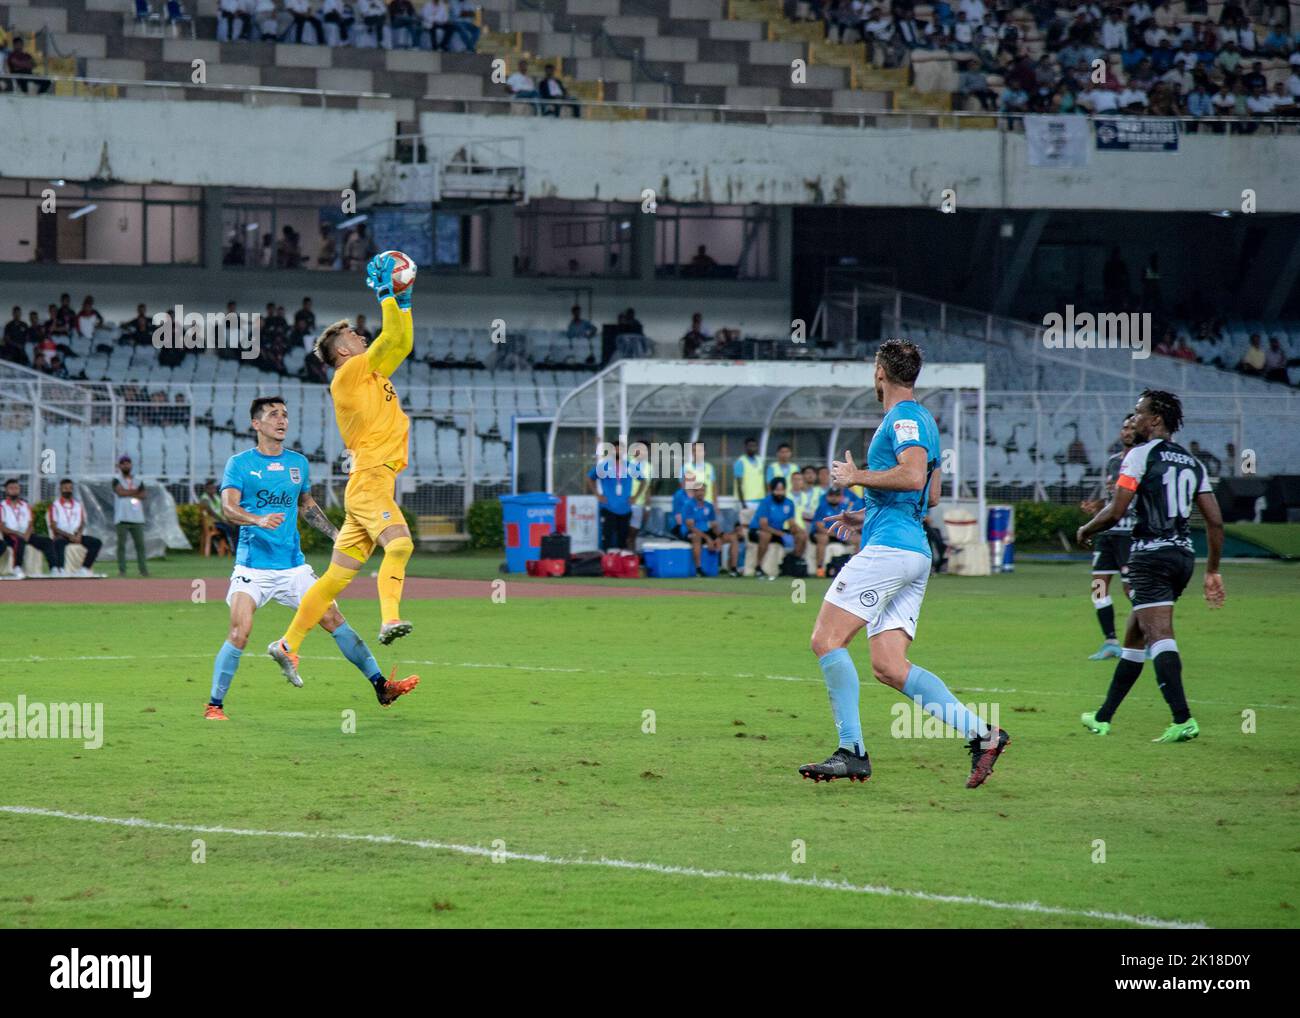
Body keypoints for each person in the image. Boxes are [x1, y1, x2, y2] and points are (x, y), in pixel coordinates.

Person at [801, 339, 1010, 788]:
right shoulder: (925, 421)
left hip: (891, 552)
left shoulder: (903, 418)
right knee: (890, 666)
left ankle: (852, 750)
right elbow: (929, 494)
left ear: (880, 372)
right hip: (910, 548)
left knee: (826, 639)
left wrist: (856, 477)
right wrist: (866, 513)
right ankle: (984, 735)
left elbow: (913, 476)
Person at [208, 396, 417, 720]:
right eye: (273, 415)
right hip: (252, 568)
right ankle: (214, 705)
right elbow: (228, 508)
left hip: (293, 567)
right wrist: (258, 519)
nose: (282, 420)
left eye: (285, 414)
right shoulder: (240, 463)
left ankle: (381, 686)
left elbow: (305, 504)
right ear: (256, 424)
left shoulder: (298, 463)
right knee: (241, 630)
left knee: (335, 619)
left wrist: (337, 535)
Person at [269, 254, 418, 684]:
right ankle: (390, 618)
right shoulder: (349, 374)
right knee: (400, 545)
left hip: (366, 482)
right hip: (371, 478)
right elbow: (390, 335)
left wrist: (403, 300)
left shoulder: (368, 374)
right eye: (354, 333)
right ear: (344, 350)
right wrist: (387, 294)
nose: (361, 335)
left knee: (334, 577)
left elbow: (401, 342)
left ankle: (287, 644)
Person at [1077, 389, 1224, 743]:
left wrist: (1085, 529)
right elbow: (1215, 523)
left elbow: (1115, 510)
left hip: (1149, 556)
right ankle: (1102, 717)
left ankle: (1183, 718)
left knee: (1159, 634)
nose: (1135, 417)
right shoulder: (1193, 463)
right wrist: (1212, 571)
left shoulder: (1139, 456)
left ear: (1155, 419)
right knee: (1135, 636)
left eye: (1140, 412)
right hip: (1183, 557)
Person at [1080, 415, 1138, 660]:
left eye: (1132, 427)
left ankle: (1143, 638)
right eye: (1124, 427)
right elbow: (1115, 498)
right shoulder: (1114, 462)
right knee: (1098, 587)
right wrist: (1099, 506)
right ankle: (1110, 641)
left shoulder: (1145, 461)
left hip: (1130, 534)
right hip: (1108, 535)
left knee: (1131, 590)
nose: (1126, 431)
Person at [677, 479, 740, 577]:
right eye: (698, 490)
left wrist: (719, 536)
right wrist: (708, 538)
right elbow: (691, 527)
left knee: (733, 538)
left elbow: (714, 525)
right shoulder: (688, 506)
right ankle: (698, 569)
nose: (701, 493)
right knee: (696, 538)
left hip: (706, 532)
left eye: (703, 490)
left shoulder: (709, 506)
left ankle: (733, 569)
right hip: (691, 532)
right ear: (694, 492)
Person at [749, 477, 805, 580]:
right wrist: (782, 535)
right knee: (765, 535)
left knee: (802, 535)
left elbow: (791, 522)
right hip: (758, 530)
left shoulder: (789, 503)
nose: (779, 493)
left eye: (781, 490)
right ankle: (758, 566)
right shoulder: (766, 502)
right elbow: (763, 525)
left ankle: (793, 562)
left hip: (778, 531)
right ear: (771, 490)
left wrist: (796, 530)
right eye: (777, 490)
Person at [46, 478, 103, 576]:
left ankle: (85, 568)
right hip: (62, 536)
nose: (68, 490)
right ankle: (61, 570)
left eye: (70, 488)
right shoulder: (55, 505)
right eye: (65, 488)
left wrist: (79, 534)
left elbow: (82, 523)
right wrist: (69, 536)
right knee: (58, 543)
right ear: (60, 489)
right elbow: (53, 526)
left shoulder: (77, 505)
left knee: (96, 542)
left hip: (76, 536)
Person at [2, 478, 54, 578]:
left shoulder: (25, 506)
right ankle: (17, 568)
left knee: (47, 541)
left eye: (16, 488)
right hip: (10, 535)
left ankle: (54, 568)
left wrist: (27, 534)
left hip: (26, 534)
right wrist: (18, 534)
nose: (14, 490)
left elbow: (30, 523)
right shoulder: (2, 506)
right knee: (19, 540)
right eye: (11, 488)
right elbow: (2, 527)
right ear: (6, 490)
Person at [587, 444, 634, 550]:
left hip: (625, 508)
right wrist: (597, 494)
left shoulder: (630, 466)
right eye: (616, 450)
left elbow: (644, 480)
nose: (618, 452)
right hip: (608, 507)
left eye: (620, 450)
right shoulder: (604, 466)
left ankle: (621, 561)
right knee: (607, 537)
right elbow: (590, 478)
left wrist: (636, 496)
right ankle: (605, 561)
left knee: (623, 538)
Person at [811, 485, 863, 577]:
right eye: (831, 495)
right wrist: (836, 535)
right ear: (827, 496)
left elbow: (849, 524)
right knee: (823, 538)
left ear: (841, 497)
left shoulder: (844, 508)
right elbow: (820, 527)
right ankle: (820, 568)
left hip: (839, 534)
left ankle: (857, 569)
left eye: (836, 495)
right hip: (827, 534)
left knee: (858, 539)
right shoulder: (822, 507)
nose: (834, 498)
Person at [112, 454, 149, 577]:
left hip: (137, 518)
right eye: (123, 463)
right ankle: (122, 570)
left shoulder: (138, 480)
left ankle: (143, 570)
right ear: (119, 466)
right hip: (122, 517)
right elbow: (120, 492)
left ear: (131, 465)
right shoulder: (116, 479)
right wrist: (136, 491)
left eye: (128, 463)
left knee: (140, 546)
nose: (126, 465)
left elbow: (144, 495)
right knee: (121, 546)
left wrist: (128, 492)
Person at [198, 478, 239, 555]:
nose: (213, 490)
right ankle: (232, 549)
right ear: (206, 489)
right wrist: (223, 520)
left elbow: (223, 510)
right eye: (210, 488)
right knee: (229, 529)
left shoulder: (217, 497)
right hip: (212, 523)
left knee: (237, 527)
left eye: (214, 488)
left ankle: (235, 547)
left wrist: (229, 519)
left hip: (220, 521)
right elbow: (211, 513)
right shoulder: (204, 499)